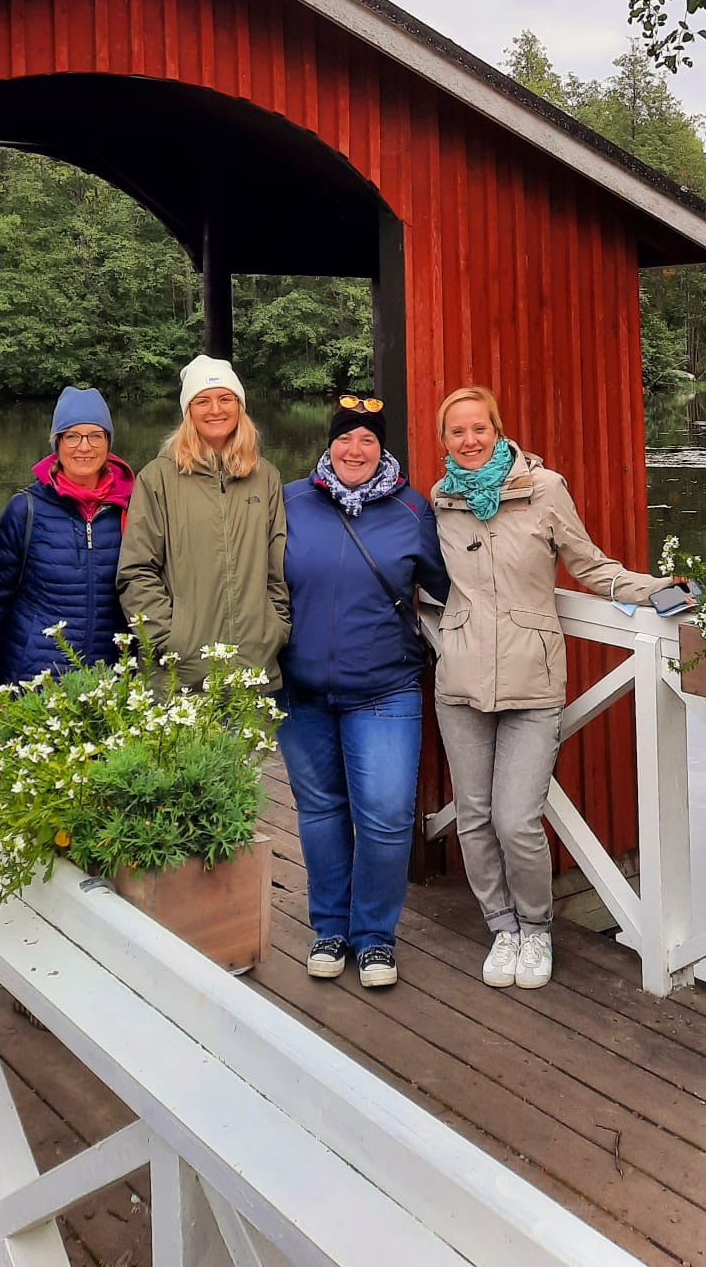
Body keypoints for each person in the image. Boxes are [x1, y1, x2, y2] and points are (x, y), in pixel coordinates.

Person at [430, 385, 685, 991]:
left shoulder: (544, 489)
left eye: (479, 428)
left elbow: (590, 565)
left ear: (498, 430)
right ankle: (501, 927)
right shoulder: (441, 501)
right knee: (473, 817)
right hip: (460, 682)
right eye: (457, 431)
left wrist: (659, 590)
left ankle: (536, 928)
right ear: (444, 441)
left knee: (516, 819)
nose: (469, 440)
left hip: (533, 679)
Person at [279, 394, 450, 990]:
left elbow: (451, 584)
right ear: (329, 444)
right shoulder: (290, 502)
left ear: (383, 449)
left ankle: (374, 936)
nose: (355, 449)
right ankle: (329, 929)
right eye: (345, 438)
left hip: (384, 687)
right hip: (301, 690)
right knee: (321, 812)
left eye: (368, 440)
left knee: (386, 817)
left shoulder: (412, 509)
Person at [117, 355, 289, 689]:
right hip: (179, 675)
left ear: (240, 406)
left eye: (226, 399)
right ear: (188, 411)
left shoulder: (265, 476)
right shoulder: (157, 478)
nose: (215, 410)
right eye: (202, 401)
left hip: (252, 670)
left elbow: (276, 567)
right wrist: (168, 639)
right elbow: (136, 571)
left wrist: (274, 629)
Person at [0, 385, 134, 684]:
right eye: (72, 436)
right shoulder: (25, 509)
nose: (84, 447)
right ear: (57, 442)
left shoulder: (131, 506)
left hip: (109, 677)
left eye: (95, 436)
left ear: (108, 442)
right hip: (35, 677)